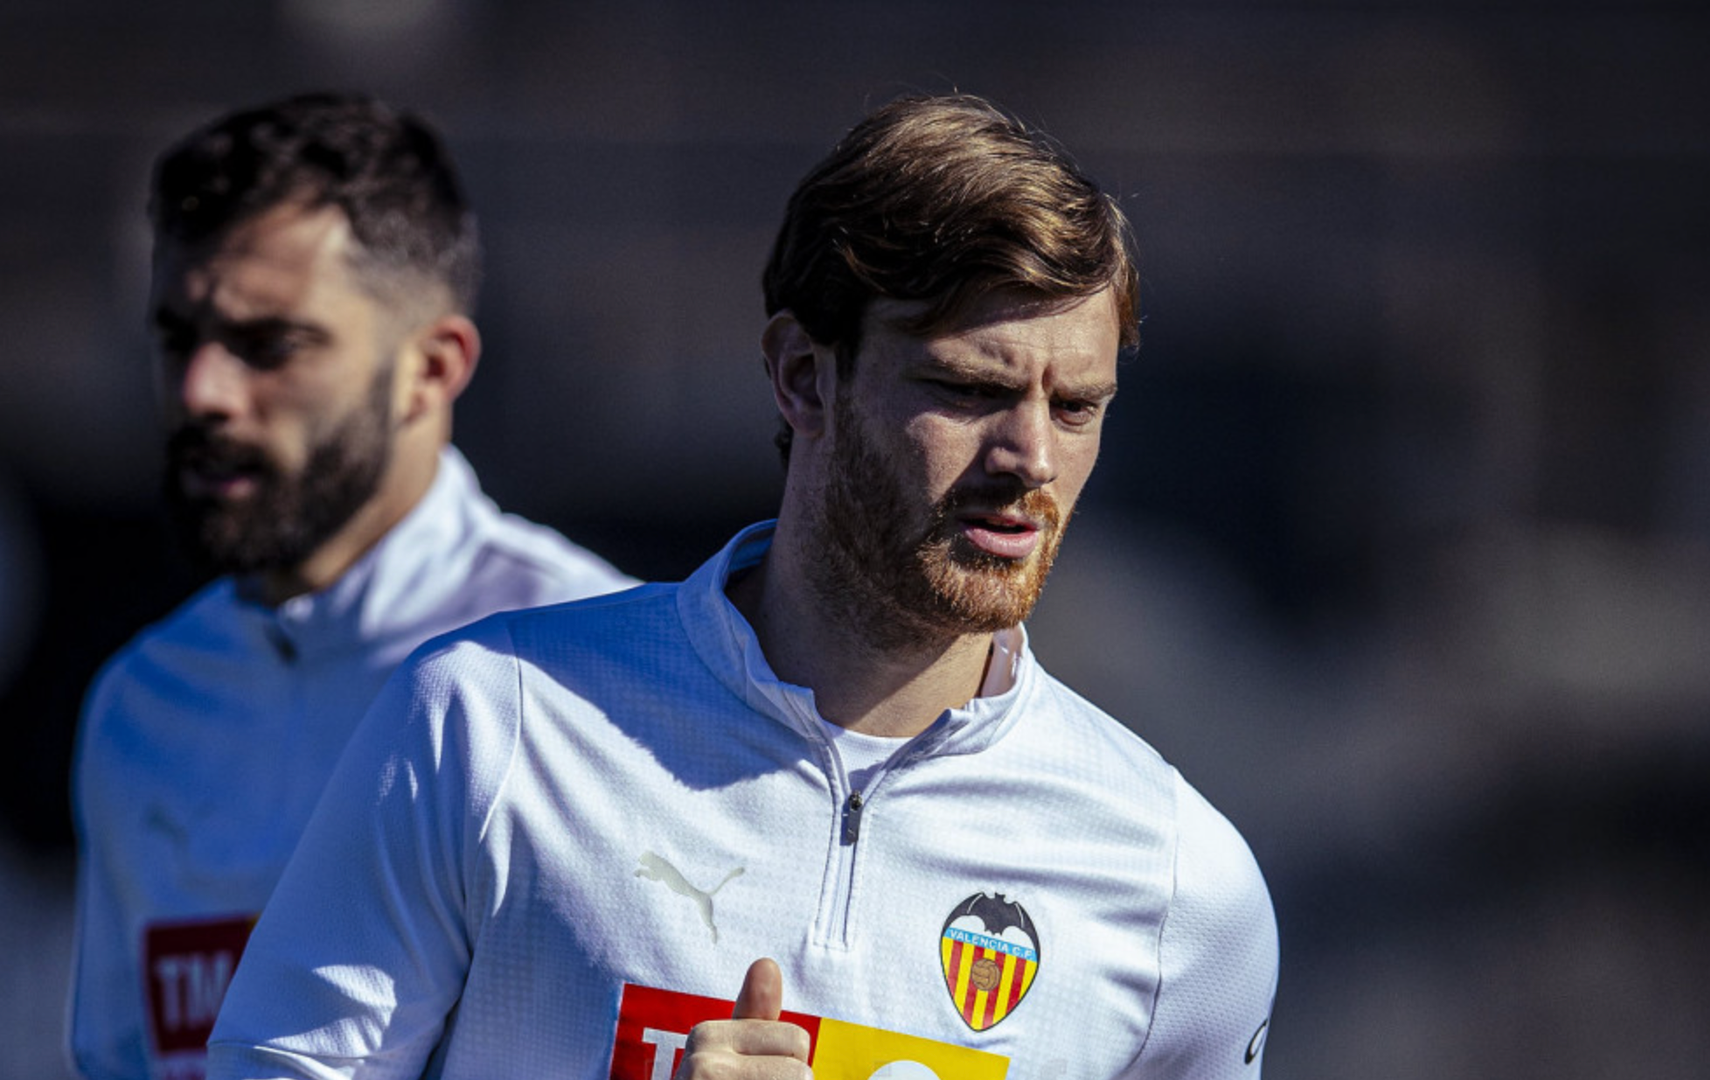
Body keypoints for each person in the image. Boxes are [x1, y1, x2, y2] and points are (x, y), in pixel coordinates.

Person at [206, 93, 1278, 1080]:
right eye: (968, 388)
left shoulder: (1184, 890)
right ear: (804, 376)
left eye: (1078, 406)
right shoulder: (492, 727)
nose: (1030, 457)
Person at [69, 93, 636, 1080]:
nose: (203, 391)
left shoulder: (599, 672)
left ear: (431, 367)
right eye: (177, 337)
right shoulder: (140, 703)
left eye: (269, 344)